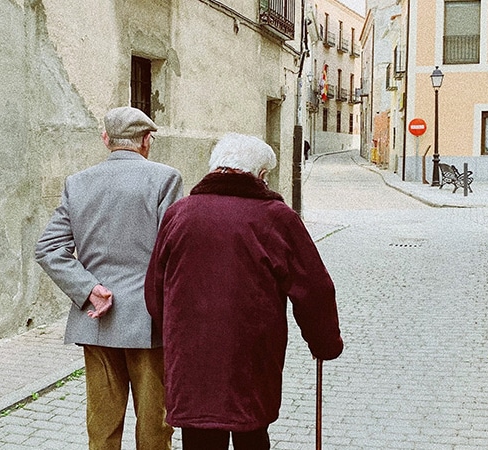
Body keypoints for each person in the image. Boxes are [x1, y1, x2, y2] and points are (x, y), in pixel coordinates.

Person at [144, 133, 344, 450]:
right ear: (262, 176)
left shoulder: (179, 214)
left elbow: (155, 288)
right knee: (251, 432)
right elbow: (315, 289)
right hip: (252, 357)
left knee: (199, 435)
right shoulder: (277, 218)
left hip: (192, 358)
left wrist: (173, 334)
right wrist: (324, 342)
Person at [35, 106, 183, 450]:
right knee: (155, 427)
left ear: (105, 140)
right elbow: (173, 251)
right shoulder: (165, 178)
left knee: (101, 426)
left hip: (96, 319)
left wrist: (88, 289)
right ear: (147, 141)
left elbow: (48, 249)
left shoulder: (77, 182)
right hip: (150, 321)